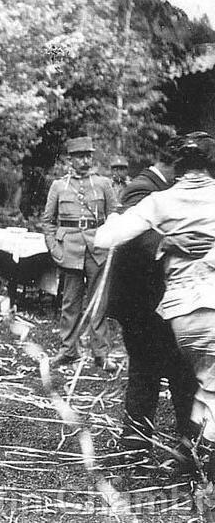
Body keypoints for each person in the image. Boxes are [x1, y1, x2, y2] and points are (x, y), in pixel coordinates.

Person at [95, 132, 215, 465]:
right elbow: (142, 245)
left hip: (173, 304)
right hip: (146, 304)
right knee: (154, 373)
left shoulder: (163, 196)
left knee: (187, 377)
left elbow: (109, 236)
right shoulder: (142, 187)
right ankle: (144, 443)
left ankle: (190, 445)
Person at [41, 135, 118, 372]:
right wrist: (55, 249)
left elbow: (115, 216)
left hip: (98, 249)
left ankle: (101, 354)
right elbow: (48, 221)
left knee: (99, 303)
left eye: (88, 156)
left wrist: (111, 242)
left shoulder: (103, 184)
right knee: (70, 303)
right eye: (80, 157)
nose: (85, 161)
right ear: (69, 159)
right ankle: (68, 351)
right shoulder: (59, 186)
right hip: (70, 250)